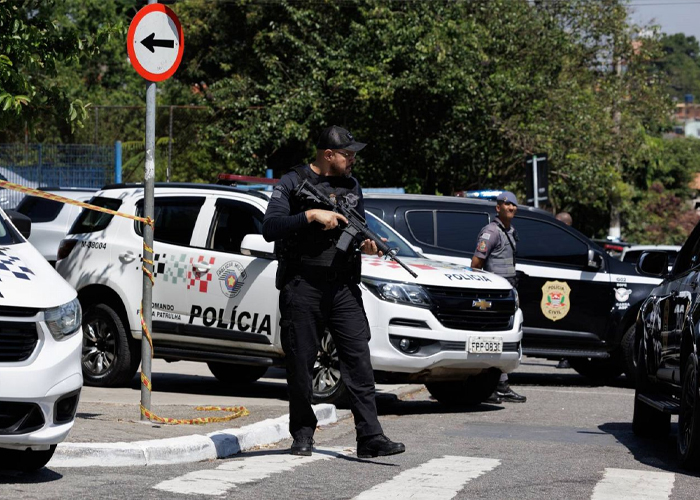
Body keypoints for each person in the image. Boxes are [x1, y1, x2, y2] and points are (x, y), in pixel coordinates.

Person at [262, 125, 406, 459]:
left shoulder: (352, 185)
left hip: (343, 286)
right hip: (304, 285)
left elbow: (358, 229)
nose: (353, 159)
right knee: (301, 363)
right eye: (348, 154)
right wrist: (310, 215)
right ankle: (302, 433)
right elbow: (270, 227)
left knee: (358, 360)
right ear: (329, 155)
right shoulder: (293, 182)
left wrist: (368, 247)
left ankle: (370, 437)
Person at [471, 191, 527, 403]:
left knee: (505, 338)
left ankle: (501, 383)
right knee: (491, 339)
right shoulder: (491, 232)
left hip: (507, 293)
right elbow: (476, 264)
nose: (511, 208)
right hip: (492, 295)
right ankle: (489, 385)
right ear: (498, 207)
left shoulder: (510, 231)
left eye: (514, 205)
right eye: (507, 205)